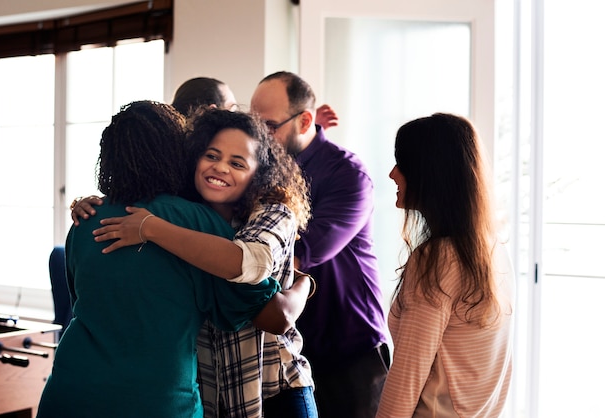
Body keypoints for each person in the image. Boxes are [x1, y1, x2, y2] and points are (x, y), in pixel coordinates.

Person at [36, 101, 283, 418]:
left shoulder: (85, 219)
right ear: (178, 153)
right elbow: (260, 309)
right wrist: (303, 283)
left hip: (68, 393)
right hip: (157, 401)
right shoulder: (195, 219)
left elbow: (81, 301)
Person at [250, 71, 390, 418]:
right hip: (291, 351)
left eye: (268, 126)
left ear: (305, 121)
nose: (259, 138)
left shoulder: (348, 174)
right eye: (254, 126)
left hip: (351, 351)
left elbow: (300, 255)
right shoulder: (258, 170)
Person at [376, 113, 515, 417]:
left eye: (402, 164)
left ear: (429, 174)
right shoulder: (494, 249)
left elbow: (406, 379)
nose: (392, 174)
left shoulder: (438, 259)